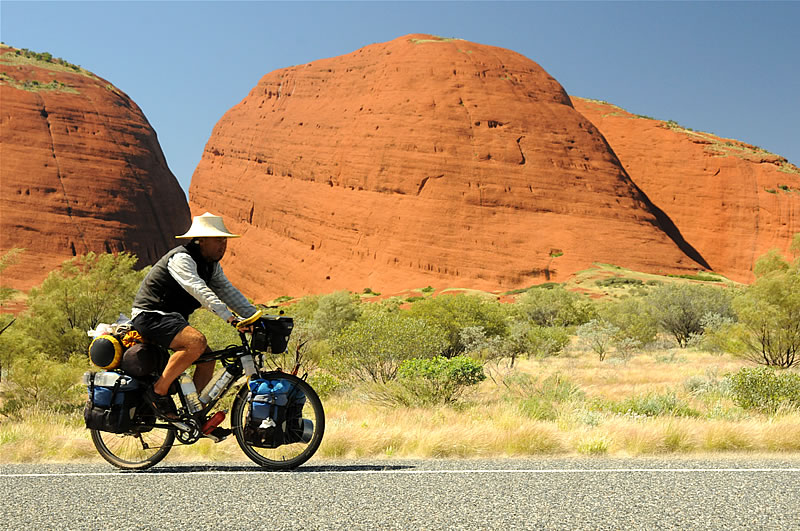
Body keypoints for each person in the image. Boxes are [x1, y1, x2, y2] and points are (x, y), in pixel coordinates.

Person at [131, 212, 260, 430]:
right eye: (218, 240)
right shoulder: (182, 258)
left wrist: (255, 316)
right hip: (150, 315)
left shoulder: (212, 265)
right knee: (196, 342)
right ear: (201, 240)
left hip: (171, 319)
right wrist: (229, 317)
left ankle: (195, 415)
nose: (223, 245)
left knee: (208, 358)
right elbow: (198, 289)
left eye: (225, 240)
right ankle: (158, 392)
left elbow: (229, 292)